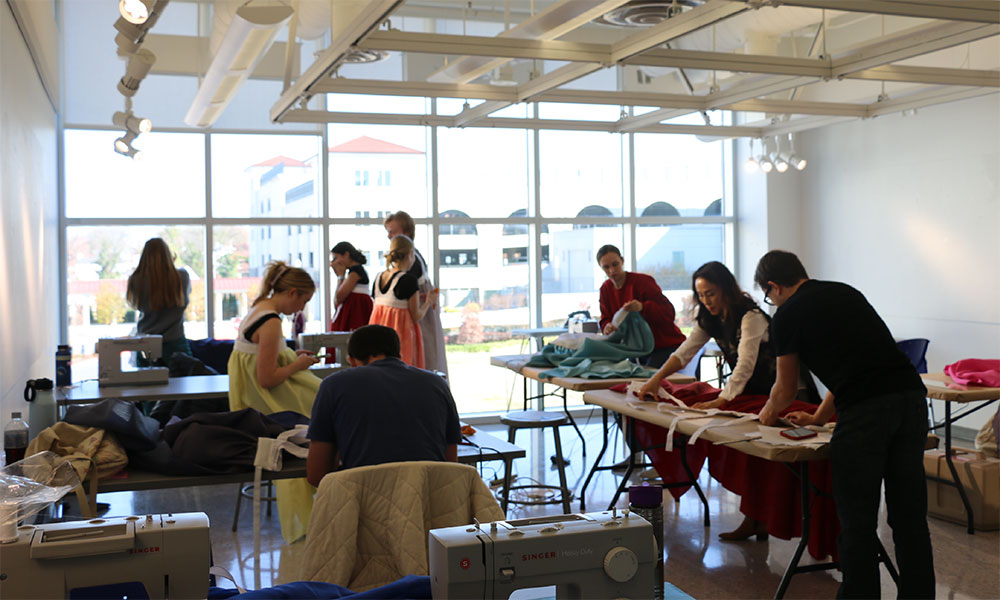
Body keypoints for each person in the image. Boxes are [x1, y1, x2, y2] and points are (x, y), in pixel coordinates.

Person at [754, 250, 934, 599]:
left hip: (866, 413)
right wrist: (820, 417)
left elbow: (786, 389)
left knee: (857, 523)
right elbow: (860, 360)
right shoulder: (844, 291)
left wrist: (765, 414)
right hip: (910, 400)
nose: (771, 302)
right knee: (909, 518)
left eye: (768, 295)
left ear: (774, 287)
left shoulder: (786, 315)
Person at [637, 261, 777, 540]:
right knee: (746, 457)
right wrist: (656, 379)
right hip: (748, 394)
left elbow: (745, 365)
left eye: (710, 293)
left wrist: (721, 401)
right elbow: (685, 352)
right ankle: (755, 519)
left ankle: (760, 518)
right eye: (701, 295)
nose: (706, 300)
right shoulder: (711, 318)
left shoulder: (751, 317)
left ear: (726, 289)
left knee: (759, 460)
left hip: (773, 395)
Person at [228, 260, 322, 544]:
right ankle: (318, 503)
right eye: (303, 301)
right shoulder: (270, 323)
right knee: (326, 413)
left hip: (255, 400)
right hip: (267, 404)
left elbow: (264, 359)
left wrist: (291, 356)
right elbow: (267, 378)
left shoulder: (259, 309)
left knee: (327, 406)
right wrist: (299, 364)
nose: (301, 309)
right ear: (292, 293)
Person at [306, 324, 460, 486]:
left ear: (351, 361)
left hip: (366, 503)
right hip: (428, 501)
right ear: (399, 355)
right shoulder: (437, 383)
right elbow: (450, 467)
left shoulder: (333, 385)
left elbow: (317, 476)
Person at [596, 244, 686, 367]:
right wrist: (607, 326)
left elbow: (668, 312)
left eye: (615, 264)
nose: (612, 270)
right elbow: (605, 318)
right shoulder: (605, 290)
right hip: (636, 349)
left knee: (648, 378)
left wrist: (643, 307)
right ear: (601, 268)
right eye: (606, 267)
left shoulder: (643, 282)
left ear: (622, 261)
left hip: (665, 345)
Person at [384, 211, 448, 376]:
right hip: (407, 323)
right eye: (388, 232)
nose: (389, 236)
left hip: (416, 323)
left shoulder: (410, 264)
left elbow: (413, 310)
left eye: (393, 232)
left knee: (423, 362)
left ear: (406, 233)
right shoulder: (396, 272)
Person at [370, 235, 438, 369]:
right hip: (401, 337)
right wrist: (428, 302)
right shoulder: (409, 280)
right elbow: (416, 316)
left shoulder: (379, 277)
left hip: (377, 338)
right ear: (410, 255)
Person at [126, 238, 192, 366]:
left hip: (146, 344)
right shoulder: (182, 277)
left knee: (147, 384)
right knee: (182, 384)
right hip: (175, 342)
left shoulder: (136, 280)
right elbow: (185, 301)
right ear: (168, 255)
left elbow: (135, 304)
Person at [329, 241, 373, 332]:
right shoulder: (353, 272)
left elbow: (339, 297)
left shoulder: (356, 272)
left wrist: (340, 276)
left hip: (356, 313)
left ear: (346, 254)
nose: (333, 262)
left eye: (335, 258)